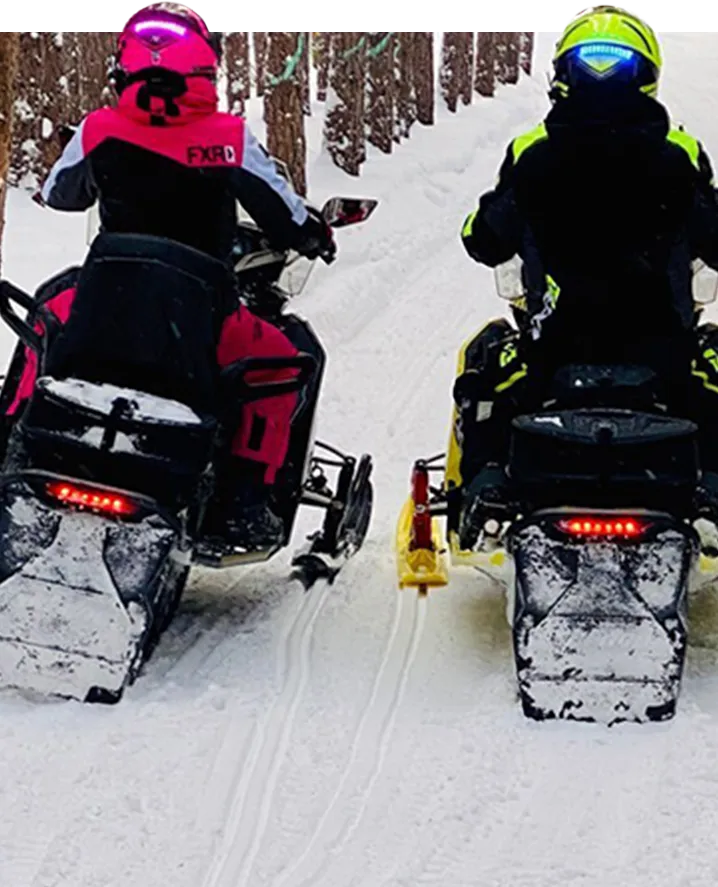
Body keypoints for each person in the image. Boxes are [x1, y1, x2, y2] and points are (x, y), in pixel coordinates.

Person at [5, 0, 336, 550]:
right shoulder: (229, 137)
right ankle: (246, 501)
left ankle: (10, 438)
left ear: (126, 65)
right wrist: (315, 235)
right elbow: (285, 216)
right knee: (289, 359)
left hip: (106, 296)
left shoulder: (98, 130)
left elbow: (61, 193)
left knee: (44, 317)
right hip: (200, 312)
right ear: (204, 66)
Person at [455, 4, 718, 548]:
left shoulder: (533, 150)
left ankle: (488, 490)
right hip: (661, 352)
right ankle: (710, 492)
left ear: (562, 73)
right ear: (647, 72)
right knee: (711, 376)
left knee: (486, 367)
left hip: (553, 347)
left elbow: (482, 238)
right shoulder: (681, 153)